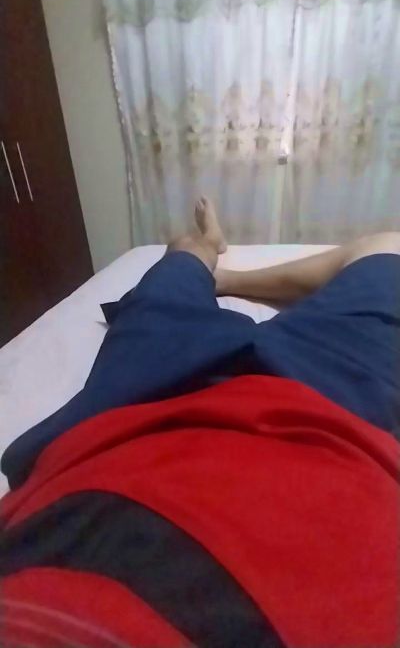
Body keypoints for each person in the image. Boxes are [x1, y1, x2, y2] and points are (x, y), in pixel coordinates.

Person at [1, 198, 399, 648]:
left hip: (131, 406)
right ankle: (216, 271)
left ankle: (211, 261)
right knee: (388, 247)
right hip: (329, 407)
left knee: (179, 259)